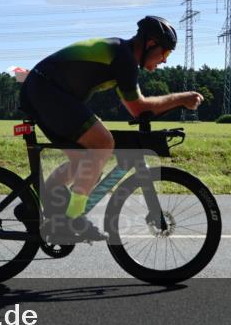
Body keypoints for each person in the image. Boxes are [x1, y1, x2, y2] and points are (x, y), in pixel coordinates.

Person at [18, 15, 204, 241]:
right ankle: (72, 219)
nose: (164, 60)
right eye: (165, 53)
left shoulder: (121, 55)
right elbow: (138, 108)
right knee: (103, 143)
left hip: (42, 90)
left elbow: (134, 106)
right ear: (150, 44)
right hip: (46, 90)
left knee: (84, 161)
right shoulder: (123, 58)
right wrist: (181, 99)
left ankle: (36, 207)